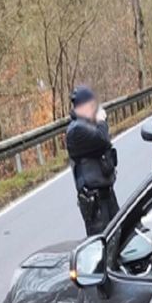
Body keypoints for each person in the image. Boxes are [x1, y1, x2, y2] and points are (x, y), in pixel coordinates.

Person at [66, 84, 119, 236]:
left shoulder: (87, 125)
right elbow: (102, 139)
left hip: (106, 195)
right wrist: (101, 121)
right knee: (101, 248)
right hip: (95, 203)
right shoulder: (76, 130)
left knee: (120, 238)